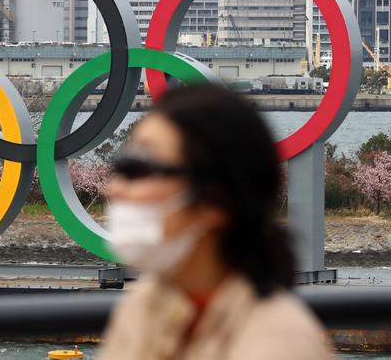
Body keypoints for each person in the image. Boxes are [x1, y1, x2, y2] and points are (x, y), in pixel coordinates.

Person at [100, 84, 335, 360]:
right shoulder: (144, 307)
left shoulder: (279, 343)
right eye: (121, 166)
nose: (114, 188)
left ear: (215, 200)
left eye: (138, 170)